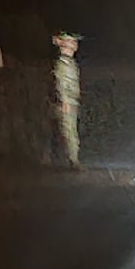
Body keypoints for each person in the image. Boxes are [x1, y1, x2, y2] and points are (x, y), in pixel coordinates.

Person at [51, 32, 82, 169]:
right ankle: (72, 160)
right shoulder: (62, 64)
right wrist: (64, 100)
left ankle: (71, 159)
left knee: (71, 131)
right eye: (71, 41)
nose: (75, 44)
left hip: (72, 101)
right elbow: (60, 83)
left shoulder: (70, 63)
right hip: (68, 102)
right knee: (68, 132)